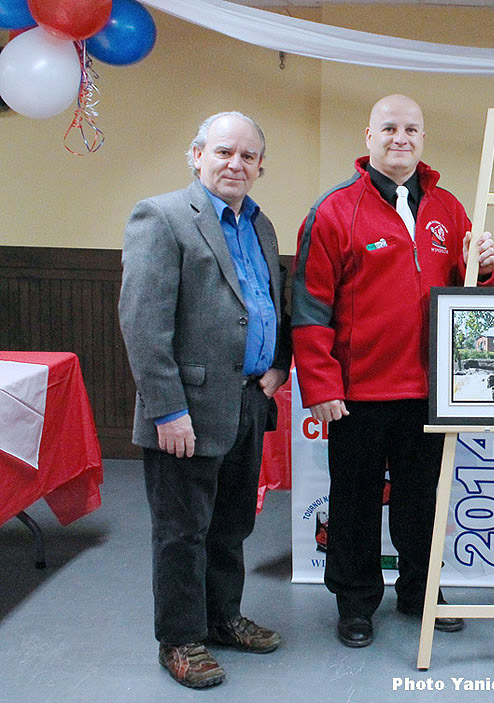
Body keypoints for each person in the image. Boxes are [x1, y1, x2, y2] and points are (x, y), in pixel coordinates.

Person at [291, 94, 494, 649]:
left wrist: (486, 269)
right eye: (389, 128)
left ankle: (420, 593)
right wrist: (322, 384)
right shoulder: (334, 211)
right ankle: (356, 603)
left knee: (423, 502)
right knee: (355, 503)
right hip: (358, 394)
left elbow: (471, 299)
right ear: (368, 136)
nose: (400, 137)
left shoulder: (451, 209)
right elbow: (310, 307)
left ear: (422, 138)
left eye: (411, 128)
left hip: (430, 392)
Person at [119, 112, 291, 688]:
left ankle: (223, 619)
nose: (234, 164)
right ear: (196, 154)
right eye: (223, 152)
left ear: (260, 166)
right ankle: (181, 640)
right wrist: (167, 409)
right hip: (185, 413)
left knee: (231, 524)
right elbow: (143, 325)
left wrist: (277, 365)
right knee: (182, 531)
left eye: (247, 156)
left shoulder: (261, 226)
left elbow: (268, 304)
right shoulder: (161, 217)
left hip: (247, 402)